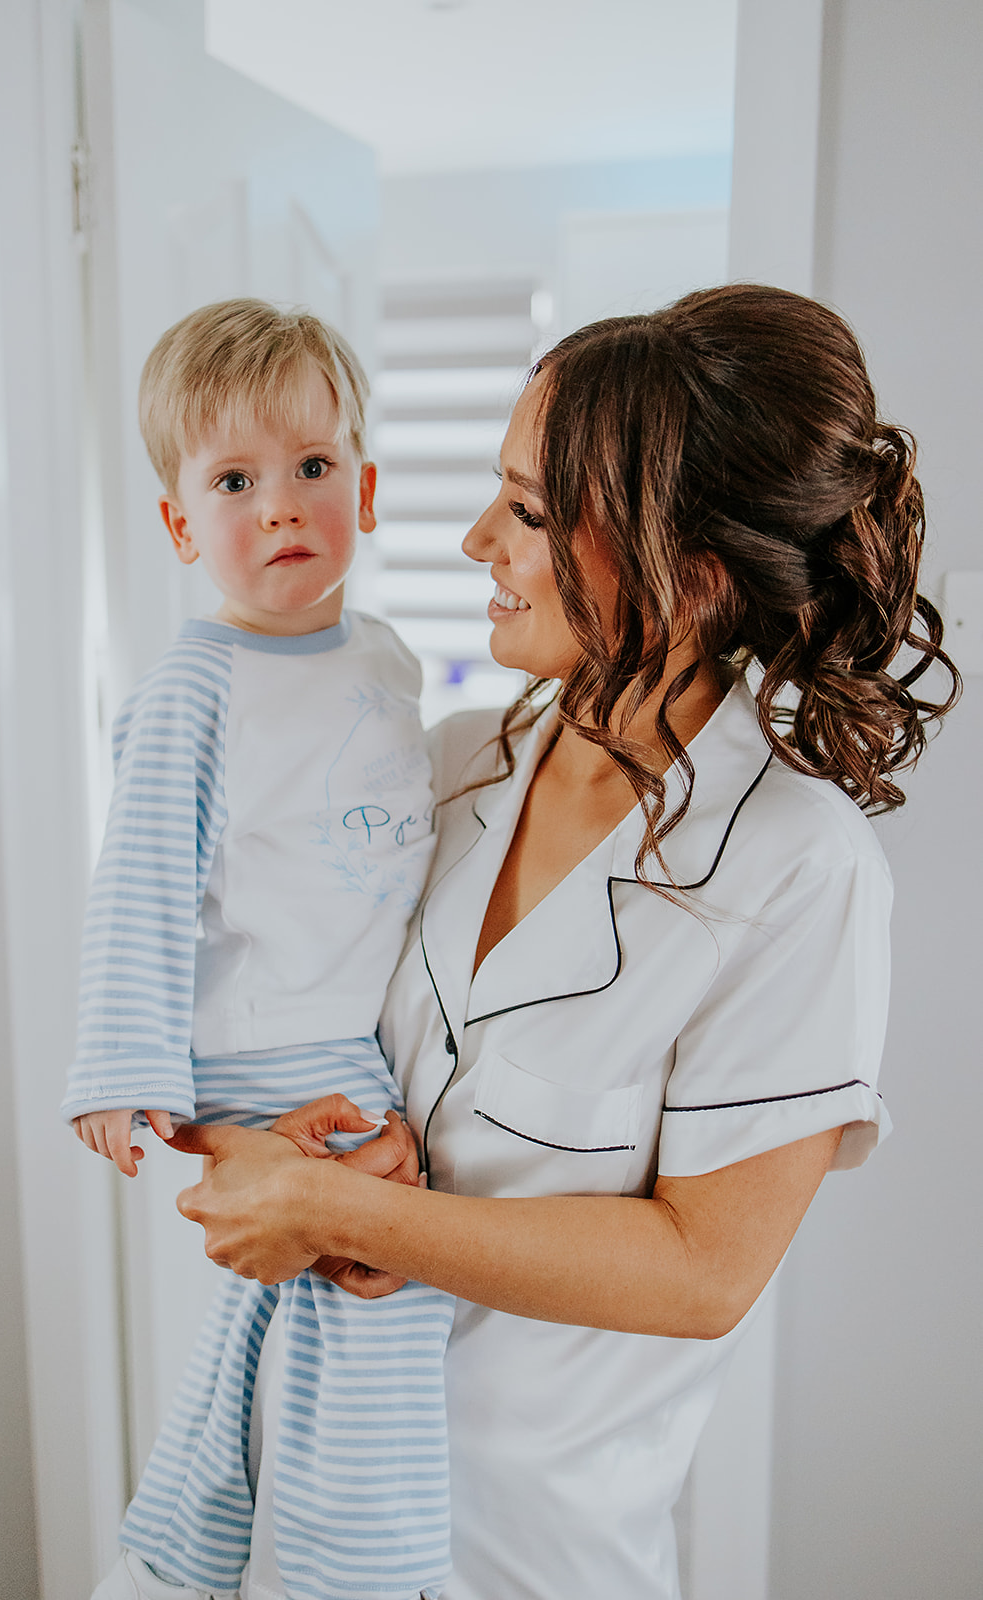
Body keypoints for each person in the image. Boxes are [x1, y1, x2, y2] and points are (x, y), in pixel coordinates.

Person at [166, 284, 960, 1600]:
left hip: (521, 1561)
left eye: (532, 514)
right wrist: (270, 1147)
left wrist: (360, 1216)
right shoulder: (444, 765)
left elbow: (706, 1268)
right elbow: (264, 1008)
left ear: (692, 568)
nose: (481, 539)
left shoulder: (796, 874)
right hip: (305, 1503)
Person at [61, 300, 454, 1600]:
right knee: (380, 1289)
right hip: (264, 1041)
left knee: (299, 1297)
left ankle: (190, 1537)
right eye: (235, 480)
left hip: (358, 1033)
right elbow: (144, 877)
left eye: (312, 468)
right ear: (182, 526)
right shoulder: (197, 682)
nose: (281, 505)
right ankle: (366, 1572)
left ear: (368, 488)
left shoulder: (386, 662)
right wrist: (125, 1068)